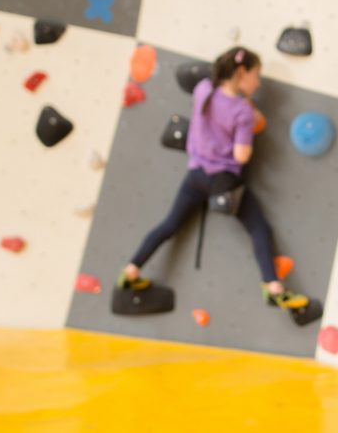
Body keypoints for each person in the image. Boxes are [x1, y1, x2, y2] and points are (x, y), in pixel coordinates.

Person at [117, 46, 309, 311]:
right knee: (258, 229)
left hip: (196, 174)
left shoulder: (203, 89)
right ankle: (274, 288)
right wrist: (248, 121)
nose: (258, 82)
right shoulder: (242, 112)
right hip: (224, 179)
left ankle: (130, 272)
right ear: (241, 73)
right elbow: (242, 156)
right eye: (256, 75)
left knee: (169, 225)